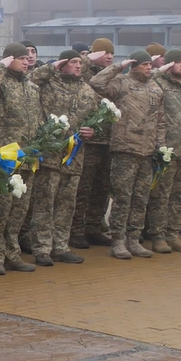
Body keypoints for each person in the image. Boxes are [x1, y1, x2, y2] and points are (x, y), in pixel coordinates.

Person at [90, 50, 165, 260]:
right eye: (144, 64)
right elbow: (96, 83)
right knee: (123, 197)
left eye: (150, 64)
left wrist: (161, 146)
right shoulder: (121, 82)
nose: (149, 68)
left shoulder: (155, 88)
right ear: (134, 65)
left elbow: (161, 121)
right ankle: (118, 240)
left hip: (147, 151)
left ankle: (134, 238)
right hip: (125, 148)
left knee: (140, 198)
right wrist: (118, 66)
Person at [27, 50, 99, 267]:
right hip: (51, 154)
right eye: (73, 62)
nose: (78, 66)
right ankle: (41, 248)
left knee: (67, 204)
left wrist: (94, 131)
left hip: (74, 157)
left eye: (80, 62)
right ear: (62, 64)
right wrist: (52, 67)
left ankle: (61, 246)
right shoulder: (48, 83)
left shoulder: (87, 90)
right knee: (45, 203)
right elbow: (31, 79)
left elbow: (97, 120)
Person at [0, 42, 42, 275]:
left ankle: (12, 254)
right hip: (5, 156)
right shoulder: (0, 82)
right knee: (0, 210)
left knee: (18, 210)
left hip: (27, 156)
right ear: (8, 60)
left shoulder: (31, 87)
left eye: (27, 58)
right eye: (20, 58)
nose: (26, 61)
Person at [144, 50, 181, 254]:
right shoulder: (159, 83)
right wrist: (162, 70)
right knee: (161, 195)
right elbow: (148, 78)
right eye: (178, 62)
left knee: (180, 195)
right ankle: (158, 236)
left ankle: (173, 234)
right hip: (167, 149)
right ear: (169, 65)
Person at [72, 38, 116, 248]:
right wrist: (89, 57)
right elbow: (81, 68)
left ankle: (93, 227)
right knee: (84, 188)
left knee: (101, 188)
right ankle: (77, 230)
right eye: (104, 52)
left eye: (111, 54)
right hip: (88, 142)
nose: (109, 56)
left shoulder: (114, 77)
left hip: (107, 140)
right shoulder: (85, 72)